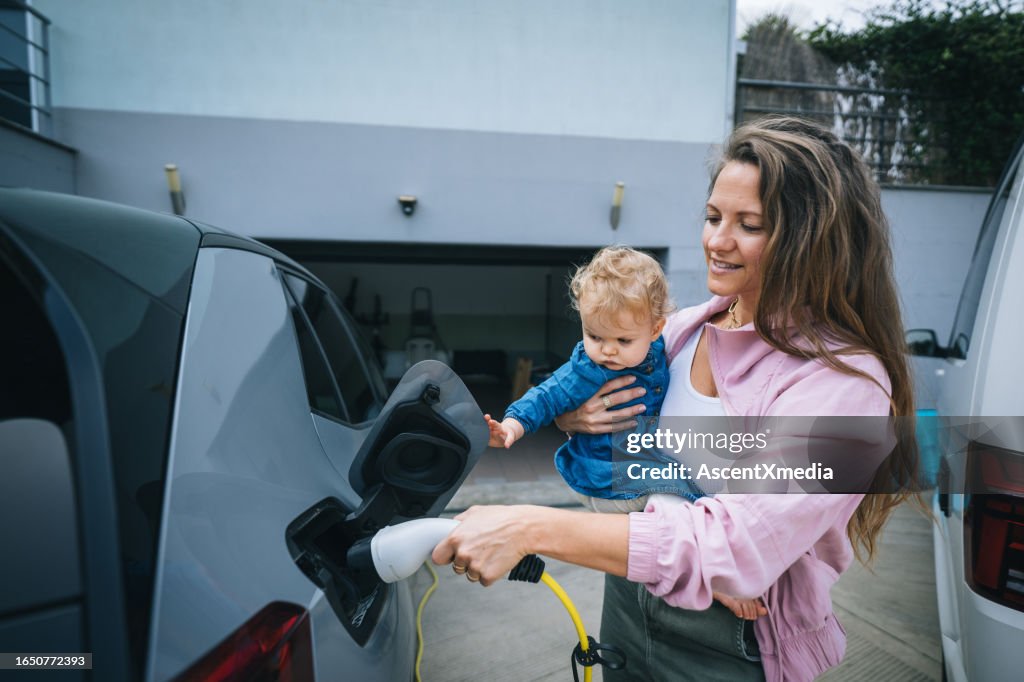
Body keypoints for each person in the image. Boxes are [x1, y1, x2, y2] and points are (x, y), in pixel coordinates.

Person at [432, 116, 919, 681]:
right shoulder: (682, 330)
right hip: (627, 594)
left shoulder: (847, 384)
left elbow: (735, 546)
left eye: (749, 225)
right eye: (713, 217)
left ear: (812, 241)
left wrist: (528, 527)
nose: (717, 241)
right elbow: (596, 388)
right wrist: (574, 417)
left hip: (731, 639)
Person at [485, 244, 766, 620]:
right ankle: (714, 579)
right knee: (675, 500)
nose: (607, 351)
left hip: (632, 468)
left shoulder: (669, 341)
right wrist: (511, 425)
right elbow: (547, 395)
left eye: (622, 341)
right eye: (594, 335)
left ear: (656, 329)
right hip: (606, 476)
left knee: (685, 499)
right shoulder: (588, 367)